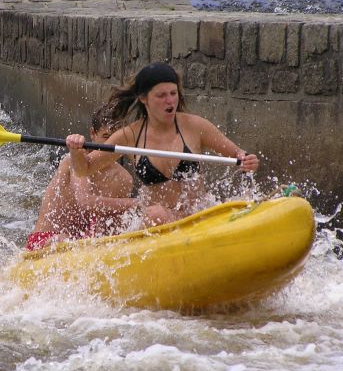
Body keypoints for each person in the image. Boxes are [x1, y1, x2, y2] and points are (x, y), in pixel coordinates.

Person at [66, 61, 259, 225]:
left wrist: (247, 160)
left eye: (173, 93)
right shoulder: (130, 136)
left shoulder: (195, 126)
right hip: (157, 226)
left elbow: (238, 155)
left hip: (195, 219)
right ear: (144, 98)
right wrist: (76, 151)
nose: (170, 101)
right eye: (161, 95)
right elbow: (85, 169)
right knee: (155, 213)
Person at [27, 103, 169, 251]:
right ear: (93, 134)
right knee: (64, 240)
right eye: (106, 136)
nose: (110, 144)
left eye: (116, 138)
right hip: (45, 241)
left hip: (81, 243)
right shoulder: (75, 161)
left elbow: (113, 222)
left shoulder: (124, 178)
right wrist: (137, 202)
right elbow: (85, 202)